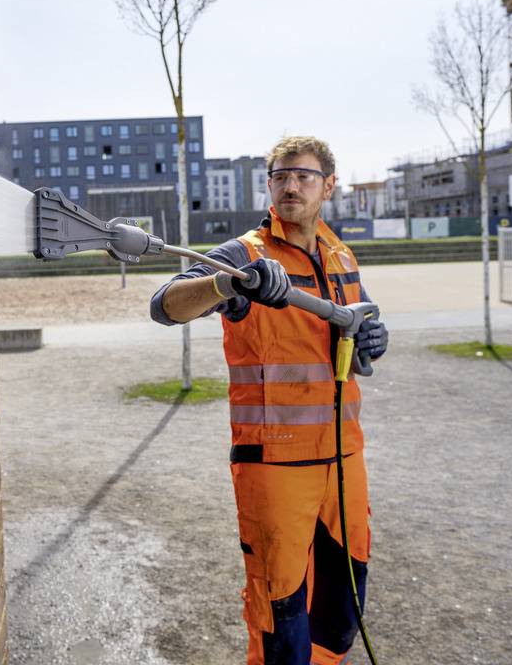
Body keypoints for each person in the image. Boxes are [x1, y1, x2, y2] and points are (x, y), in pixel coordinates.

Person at [149, 136, 389, 665]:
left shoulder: (340, 253)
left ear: (329, 185)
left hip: (344, 459)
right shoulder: (245, 255)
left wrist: (373, 336)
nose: (290, 186)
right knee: (281, 612)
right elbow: (163, 306)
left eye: (303, 176)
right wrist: (227, 285)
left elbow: (359, 322)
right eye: (280, 176)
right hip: (276, 464)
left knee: (341, 607)